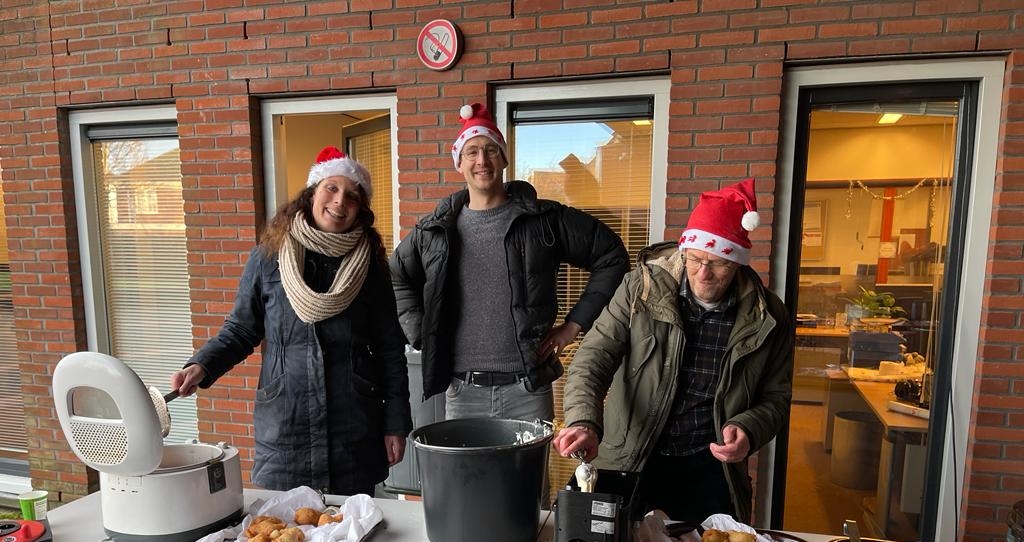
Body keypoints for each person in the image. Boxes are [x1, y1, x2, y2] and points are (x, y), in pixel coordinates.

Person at [171, 146, 412, 497]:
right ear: (312, 193)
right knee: (284, 527)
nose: (340, 201)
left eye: (352, 196)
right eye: (331, 188)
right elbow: (241, 329)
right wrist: (201, 365)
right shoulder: (269, 256)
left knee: (349, 528)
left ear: (361, 209)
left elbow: (391, 350)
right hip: (286, 427)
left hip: (354, 427)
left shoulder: (370, 267)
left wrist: (396, 424)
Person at [553, 178, 794, 523]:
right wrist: (583, 419)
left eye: (718, 264)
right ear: (684, 250)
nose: (703, 274)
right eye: (694, 259)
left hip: (710, 466)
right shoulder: (641, 288)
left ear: (738, 263)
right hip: (631, 454)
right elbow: (593, 357)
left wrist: (750, 427)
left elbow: (777, 395)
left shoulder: (768, 316)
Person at [389, 103, 629, 422]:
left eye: (491, 150)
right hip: (462, 393)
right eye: (472, 151)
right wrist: (423, 333)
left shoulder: (544, 219)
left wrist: (573, 326)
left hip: (527, 393)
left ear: (503, 158)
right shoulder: (435, 230)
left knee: (529, 475)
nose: (482, 160)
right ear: (459, 162)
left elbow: (611, 256)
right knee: (466, 474)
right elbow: (396, 275)